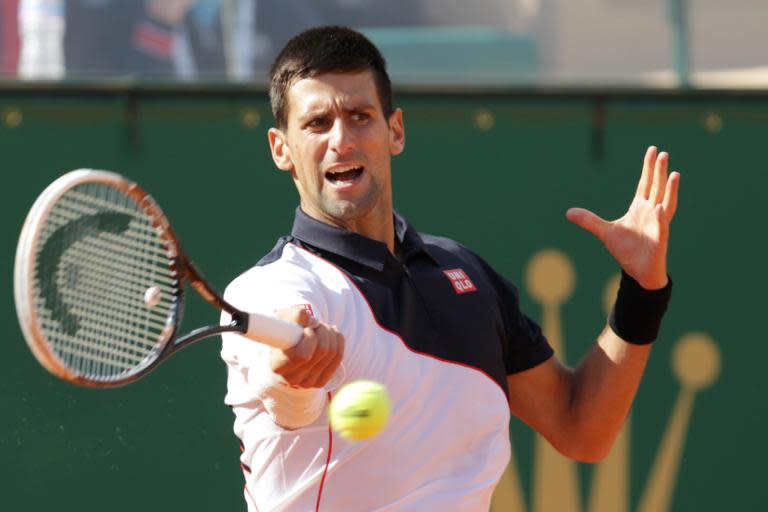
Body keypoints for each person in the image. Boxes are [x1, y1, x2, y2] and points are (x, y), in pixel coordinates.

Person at [220, 26, 679, 511]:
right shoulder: (268, 290)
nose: (341, 139)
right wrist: (294, 369)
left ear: (394, 130)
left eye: (360, 117)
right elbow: (283, 389)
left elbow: (581, 428)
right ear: (281, 148)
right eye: (317, 123)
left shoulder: (467, 276)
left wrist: (642, 291)